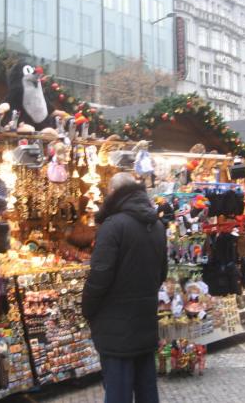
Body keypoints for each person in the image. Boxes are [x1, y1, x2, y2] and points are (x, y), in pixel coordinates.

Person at [82, 172, 167, 403]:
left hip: (116, 326)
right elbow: (162, 274)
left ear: (113, 193)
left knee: (118, 391)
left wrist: (87, 309)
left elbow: (99, 277)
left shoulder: (113, 226)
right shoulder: (157, 225)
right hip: (145, 321)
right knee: (147, 387)